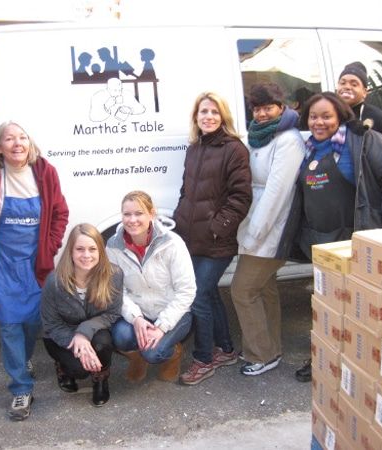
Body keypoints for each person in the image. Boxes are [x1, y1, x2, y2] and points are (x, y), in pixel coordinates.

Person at [275, 92, 382, 382]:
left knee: (360, 307)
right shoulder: (309, 147)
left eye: (326, 116)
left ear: (341, 116)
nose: (319, 122)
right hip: (321, 243)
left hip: (355, 240)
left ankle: (364, 363)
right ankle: (323, 356)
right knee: (326, 304)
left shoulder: (365, 141)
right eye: (313, 116)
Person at [0, 120, 69, 420]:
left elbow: (60, 213)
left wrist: (51, 246)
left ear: (30, 143)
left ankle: (23, 359)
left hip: (35, 261)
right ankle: (20, 389)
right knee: (9, 324)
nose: (17, 144)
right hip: (2, 262)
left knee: (31, 321)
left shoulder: (44, 171)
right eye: (9, 139)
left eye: (22, 138)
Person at [173, 92, 252, 385]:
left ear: (223, 117)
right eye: (203, 111)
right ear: (196, 117)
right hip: (191, 236)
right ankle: (226, 349)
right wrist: (182, 218)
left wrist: (217, 227)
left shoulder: (234, 149)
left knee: (198, 295)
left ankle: (204, 359)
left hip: (218, 239)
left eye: (214, 112)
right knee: (208, 293)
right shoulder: (194, 149)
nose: (208, 117)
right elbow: (186, 191)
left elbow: (241, 197)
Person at [230, 83, 306, 376]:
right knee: (265, 288)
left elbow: (276, 194)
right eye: (257, 108)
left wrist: (254, 234)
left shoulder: (288, 140)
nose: (262, 114)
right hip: (256, 222)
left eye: (268, 108)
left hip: (273, 228)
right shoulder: (260, 136)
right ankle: (269, 346)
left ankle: (260, 353)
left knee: (243, 289)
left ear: (281, 107)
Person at [106, 190, 196, 383]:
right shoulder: (113, 247)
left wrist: (162, 326)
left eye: (139, 213)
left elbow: (186, 291)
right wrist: (136, 318)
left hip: (174, 312)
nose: (132, 220)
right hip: (140, 312)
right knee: (120, 337)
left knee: (154, 352)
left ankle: (173, 352)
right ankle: (139, 356)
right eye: (127, 214)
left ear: (151, 214)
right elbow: (116, 291)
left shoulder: (172, 243)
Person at [41, 223, 122, 407]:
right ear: (70, 251)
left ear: (100, 251)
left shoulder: (114, 274)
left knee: (102, 345)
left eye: (92, 249)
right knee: (78, 369)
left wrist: (83, 334)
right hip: (60, 332)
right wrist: (76, 341)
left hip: (96, 327)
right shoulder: (54, 281)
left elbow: (112, 313)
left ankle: (100, 380)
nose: (86, 255)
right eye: (80, 249)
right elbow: (51, 324)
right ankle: (64, 369)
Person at [336, 61, 382, 173]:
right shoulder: (331, 117)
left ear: (364, 92)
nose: (347, 87)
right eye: (342, 83)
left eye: (354, 84)